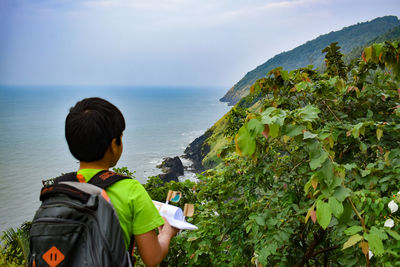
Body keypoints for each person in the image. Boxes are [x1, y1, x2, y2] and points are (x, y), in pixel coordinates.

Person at [65, 97, 178, 266]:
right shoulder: (130, 190)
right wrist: (167, 234)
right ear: (113, 144)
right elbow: (152, 258)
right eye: (121, 137)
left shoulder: (58, 190)